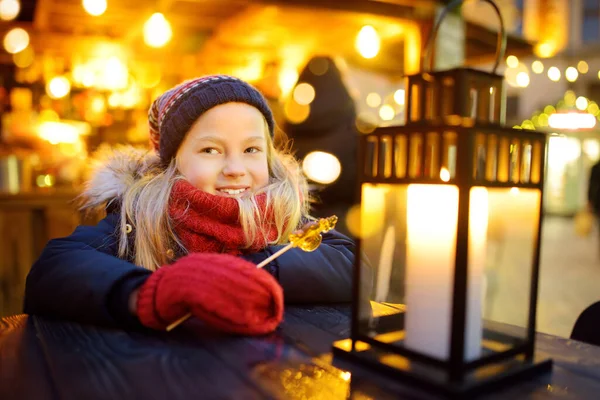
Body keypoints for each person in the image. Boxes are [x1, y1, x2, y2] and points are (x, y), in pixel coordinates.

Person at [23, 75, 355, 335]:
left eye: (251, 150)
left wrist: (258, 267)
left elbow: (351, 265)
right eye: (210, 150)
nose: (235, 168)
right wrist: (148, 293)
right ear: (173, 163)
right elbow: (52, 269)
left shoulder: (283, 215)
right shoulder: (140, 220)